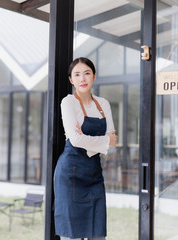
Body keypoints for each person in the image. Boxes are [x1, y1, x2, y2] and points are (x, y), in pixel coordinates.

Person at [54, 57, 117, 240]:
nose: (83, 79)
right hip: (69, 176)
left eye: (87, 73)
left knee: (98, 235)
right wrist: (102, 140)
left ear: (94, 76)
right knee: (71, 235)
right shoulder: (68, 102)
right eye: (77, 75)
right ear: (71, 80)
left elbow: (113, 139)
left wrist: (90, 140)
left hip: (94, 175)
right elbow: (75, 139)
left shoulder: (103, 104)